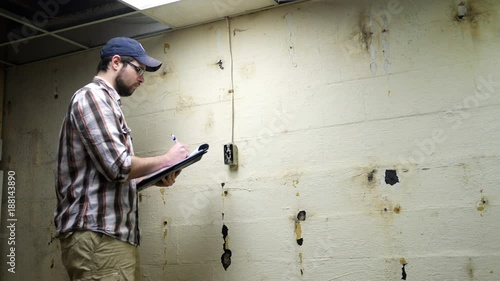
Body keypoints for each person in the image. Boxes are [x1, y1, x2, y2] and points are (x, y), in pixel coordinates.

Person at [53, 37, 189, 281]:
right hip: (99, 237)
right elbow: (119, 167)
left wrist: (153, 178)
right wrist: (168, 159)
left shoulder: (108, 103)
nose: (142, 78)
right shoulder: (92, 97)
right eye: (139, 69)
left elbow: (109, 176)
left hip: (111, 237)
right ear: (116, 62)